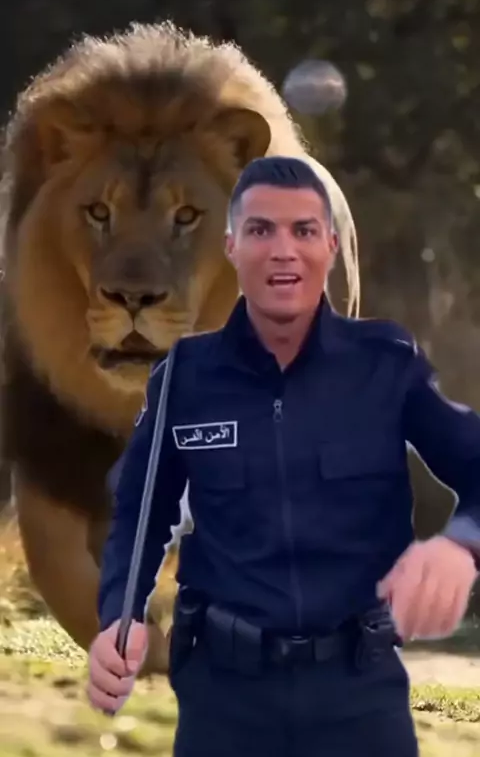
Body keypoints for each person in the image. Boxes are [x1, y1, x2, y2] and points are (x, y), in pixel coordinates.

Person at [86, 155, 479, 756]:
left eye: (303, 230)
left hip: (359, 693)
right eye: (261, 230)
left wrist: (461, 543)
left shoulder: (386, 364)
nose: (283, 251)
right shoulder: (185, 377)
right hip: (224, 698)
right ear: (232, 247)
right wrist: (120, 613)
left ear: (330, 246)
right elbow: (140, 511)